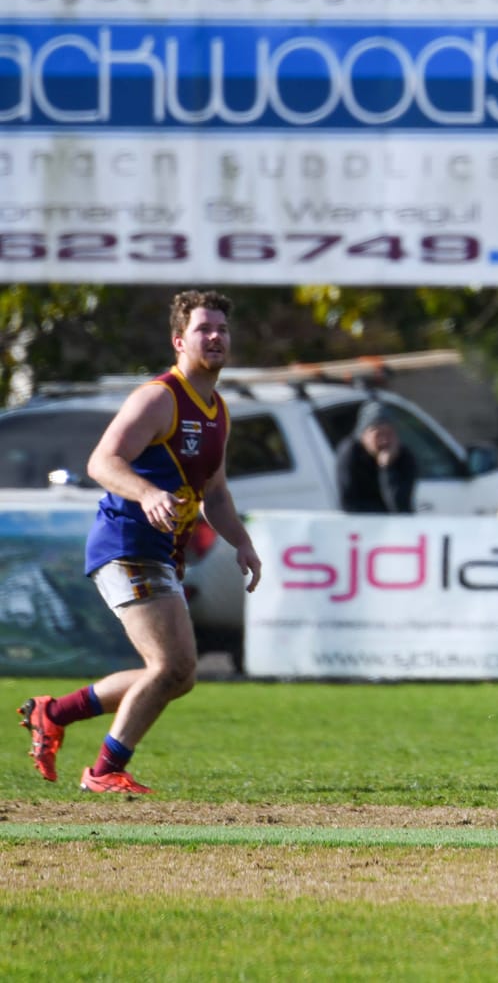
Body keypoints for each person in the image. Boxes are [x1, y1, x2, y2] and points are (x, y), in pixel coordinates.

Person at [17, 290, 263, 795]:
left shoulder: (218, 410)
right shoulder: (159, 397)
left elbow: (214, 493)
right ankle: (104, 771)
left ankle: (54, 712)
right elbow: (102, 462)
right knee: (171, 666)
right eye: (203, 329)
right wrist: (148, 492)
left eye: (222, 329)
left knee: (177, 674)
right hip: (126, 544)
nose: (215, 337)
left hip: (159, 553)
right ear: (179, 340)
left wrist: (242, 542)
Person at [335, 402, 416, 514]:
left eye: (389, 434)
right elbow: (349, 504)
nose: (384, 441)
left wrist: (387, 468)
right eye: (378, 435)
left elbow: (400, 507)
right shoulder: (350, 454)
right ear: (363, 435)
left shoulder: (404, 457)